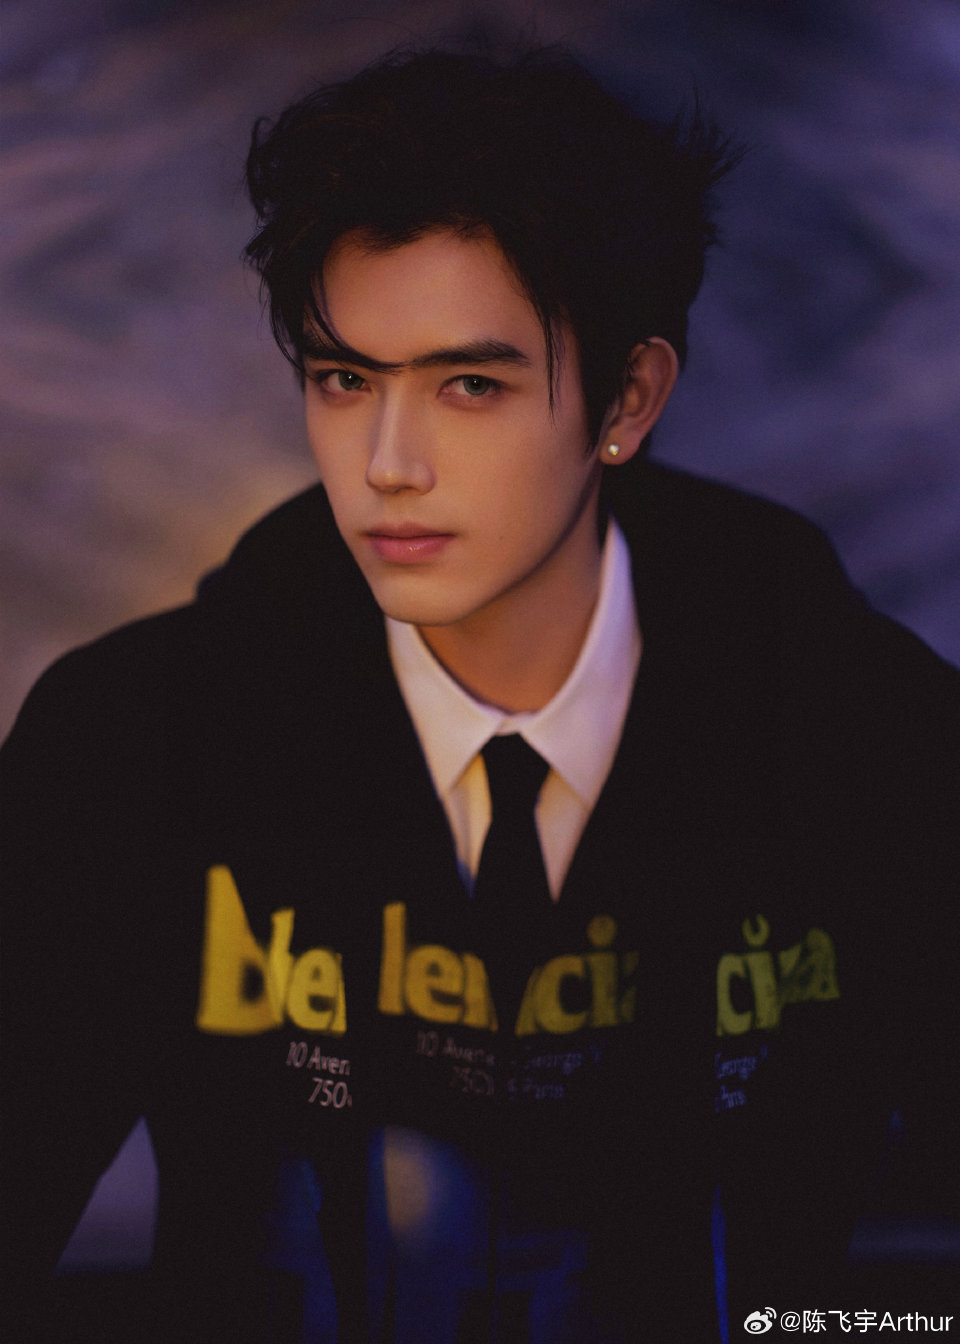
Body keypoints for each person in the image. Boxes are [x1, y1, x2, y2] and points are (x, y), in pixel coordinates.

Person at [2, 46, 958, 1344]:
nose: (389, 464)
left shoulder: (877, 741)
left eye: (470, 385)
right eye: (345, 380)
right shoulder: (130, 744)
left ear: (628, 399)